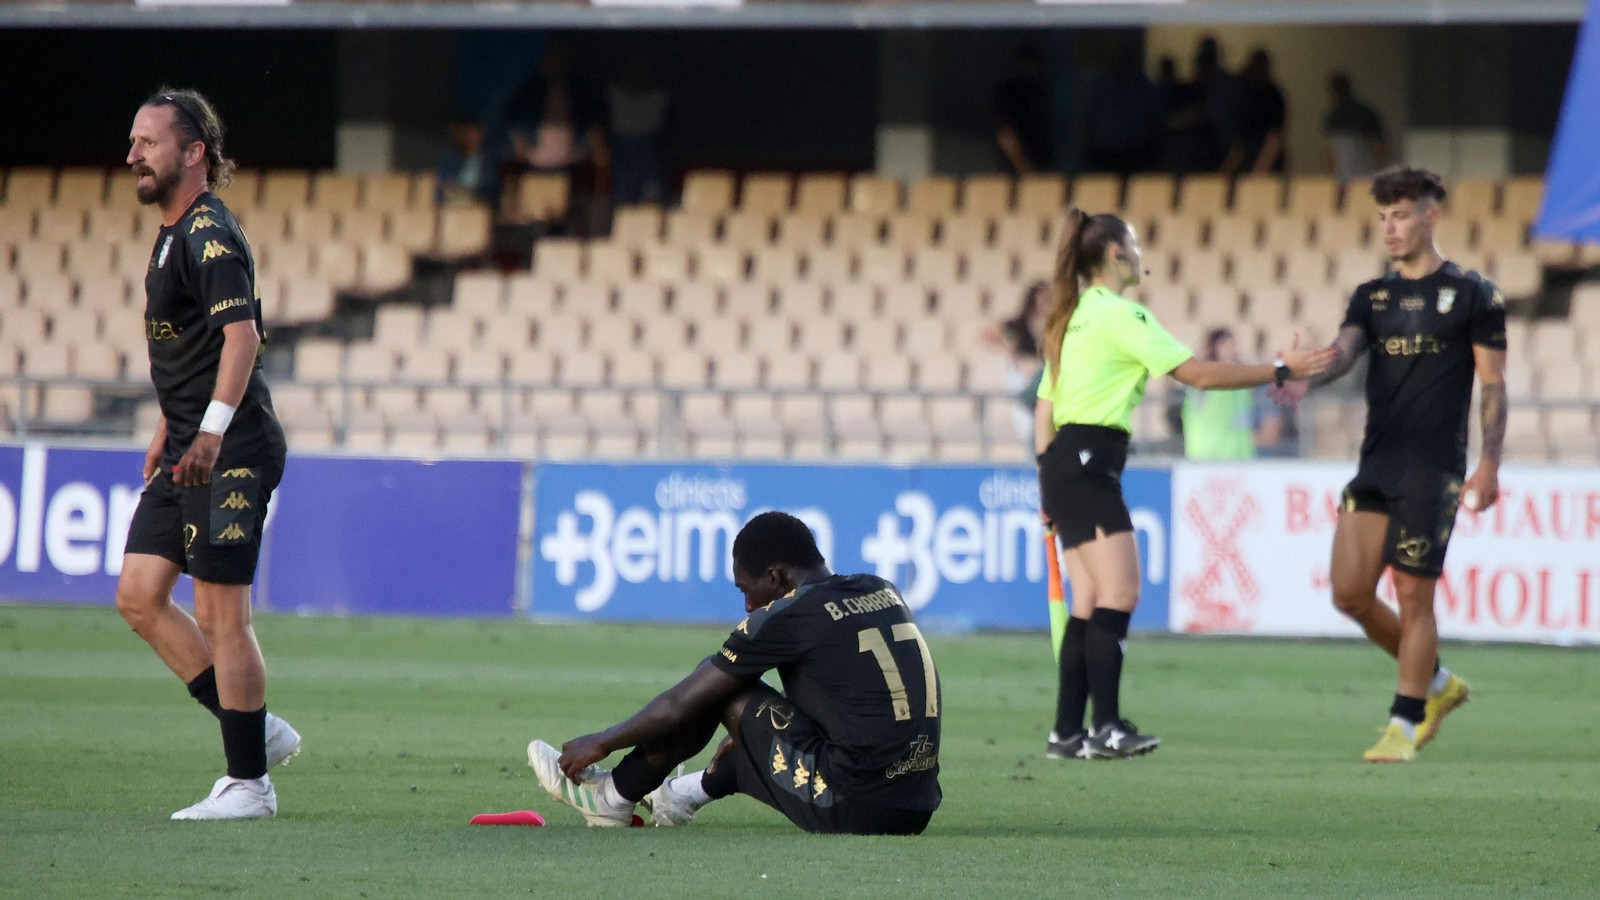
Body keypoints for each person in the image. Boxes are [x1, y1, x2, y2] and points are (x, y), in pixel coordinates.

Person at [1036, 208, 1334, 761]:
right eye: (1134, 245)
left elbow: (1044, 406)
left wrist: (1045, 480)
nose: (1140, 255)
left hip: (1064, 462)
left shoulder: (1071, 318)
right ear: (1115, 255)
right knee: (1120, 594)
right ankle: (1107, 728)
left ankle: (1067, 733)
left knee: (1089, 601)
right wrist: (1279, 369)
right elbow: (1199, 374)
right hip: (1089, 460)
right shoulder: (1120, 315)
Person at [1272, 167, 1505, 763]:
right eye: (1382, 218)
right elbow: (1344, 353)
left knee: (1412, 595)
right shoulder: (1372, 296)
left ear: (1431, 216)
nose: (1390, 228)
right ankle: (1436, 682)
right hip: (1376, 461)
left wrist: (1489, 465)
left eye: (1400, 215)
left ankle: (1404, 723)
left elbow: (1493, 384)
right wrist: (1303, 378)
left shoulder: (1474, 294)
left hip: (1434, 467)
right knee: (1349, 594)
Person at [526, 512, 940, 835]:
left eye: (746, 589)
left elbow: (679, 704)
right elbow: (848, 691)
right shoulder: (880, 588)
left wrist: (601, 741)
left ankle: (611, 797)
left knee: (720, 686)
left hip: (854, 807)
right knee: (754, 710)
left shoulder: (788, 613)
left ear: (774, 577)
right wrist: (755, 731)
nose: (747, 605)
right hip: (916, 803)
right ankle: (678, 797)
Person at [117, 88, 297, 819]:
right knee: (139, 595)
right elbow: (189, 347)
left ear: (193, 152)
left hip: (230, 450)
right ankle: (254, 727)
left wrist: (212, 431)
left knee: (222, 616)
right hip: (188, 445)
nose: (133, 154)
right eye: (134, 141)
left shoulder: (208, 233)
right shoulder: (171, 233)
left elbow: (241, 336)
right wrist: (171, 424)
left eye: (148, 142)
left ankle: (249, 784)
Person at [1181, 327, 1290, 459]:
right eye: (1228, 346)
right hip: (1207, 458)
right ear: (1215, 349)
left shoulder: (1240, 383)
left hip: (1238, 457)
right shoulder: (1204, 380)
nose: (1234, 351)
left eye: (1234, 346)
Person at [981, 280, 1049, 452]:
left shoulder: (1050, 325)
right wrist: (1011, 352)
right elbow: (987, 334)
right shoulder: (1019, 324)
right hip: (1025, 376)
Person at [1084, 51, 1164, 174]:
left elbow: (1156, 120)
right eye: (1120, 63)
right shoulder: (1102, 87)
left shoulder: (1145, 88)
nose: (1123, 66)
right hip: (1105, 154)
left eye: (1127, 63)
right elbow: (1090, 118)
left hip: (1138, 155)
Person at [606, 56, 670, 206]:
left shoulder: (658, 97)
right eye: (631, 71)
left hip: (648, 151)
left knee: (650, 191)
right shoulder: (613, 94)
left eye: (640, 71)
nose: (635, 75)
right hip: (621, 153)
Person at [1222, 49, 1287, 176]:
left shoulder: (1272, 97)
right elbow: (1239, 142)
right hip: (1248, 163)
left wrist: (1260, 171)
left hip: (1266, 166)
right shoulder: (1246, 95)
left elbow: (1274, 138)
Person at [993, 45, 1054, 176]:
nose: (1031, 70)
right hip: (1016, 173)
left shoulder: (1039, 92)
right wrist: (1023, 166)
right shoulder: (1010, 94)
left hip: (1040, 169)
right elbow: (1005, 135)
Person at [1324, 73, 1387, 182]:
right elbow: (1380, 148)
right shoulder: (1367, 113)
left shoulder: (1334, 117)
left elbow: (1330, 154)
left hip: (1349, 176)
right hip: (1362, 174)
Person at [437, 117, 501, 207]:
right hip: (453, 199)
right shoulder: (451, 157)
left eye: (474, 134)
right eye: (468, 134)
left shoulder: (489, 160)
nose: (471, 138)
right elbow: (444, 182)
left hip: (478, 201)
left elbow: (491, 186)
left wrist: (472, 192)